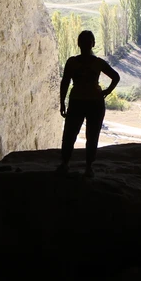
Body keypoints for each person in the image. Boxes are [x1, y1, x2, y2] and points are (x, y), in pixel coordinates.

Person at [58, 30, 120, 177]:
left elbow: (65, 83)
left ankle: (65, 164)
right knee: (92, 136)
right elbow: (115, 77)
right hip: (95, 103)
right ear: (93, 44)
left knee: (69, 135)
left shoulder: (72, 62)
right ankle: (88, 167)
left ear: (78, 44)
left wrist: (62, 103)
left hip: (77, 102)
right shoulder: (98, 63)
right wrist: (106, 92)